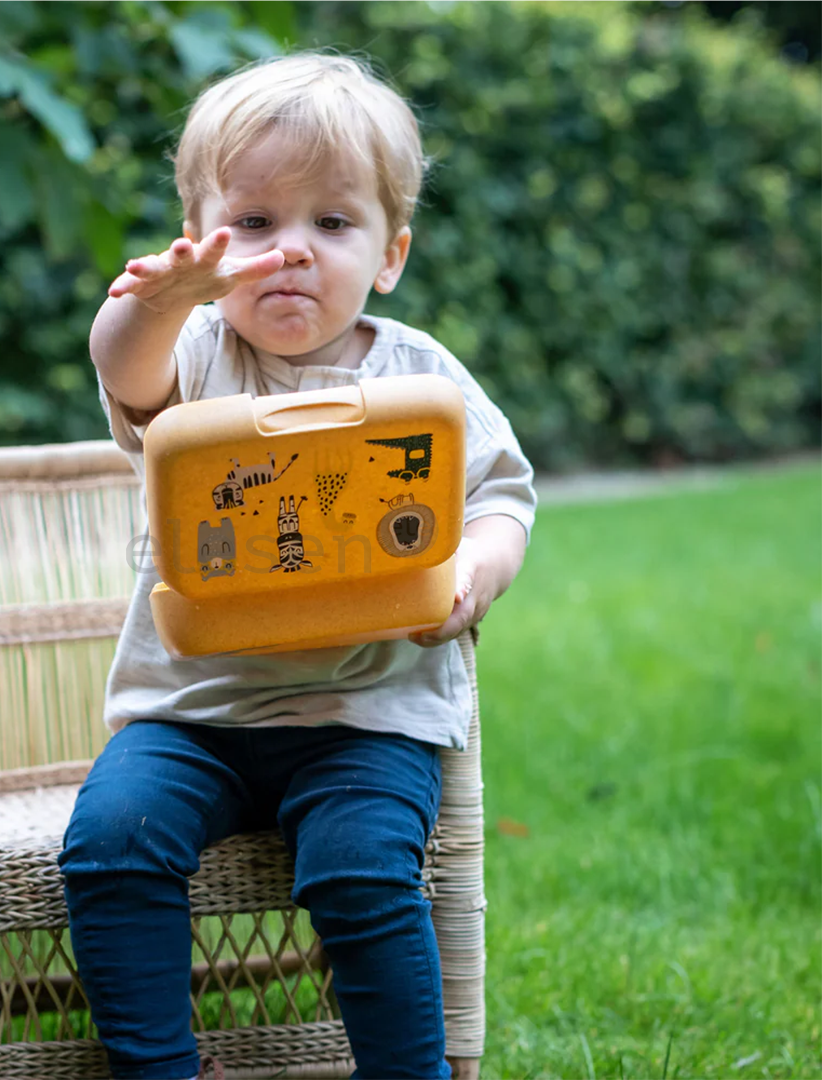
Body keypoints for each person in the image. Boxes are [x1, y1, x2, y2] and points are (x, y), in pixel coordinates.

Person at [59, 51, 537, 1080]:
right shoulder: (192, 356)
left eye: (331, 223)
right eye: (256, 223)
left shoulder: (421, 377)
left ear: (389, 251)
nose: (290, 254)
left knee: (362, 872)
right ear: (199, 237)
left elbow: (502, 493)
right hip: (194, 712)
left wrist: (475, 575)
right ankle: (159, 1068)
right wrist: (156, 301)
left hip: (364, 717)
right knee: (110, 841)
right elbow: (122, 371)